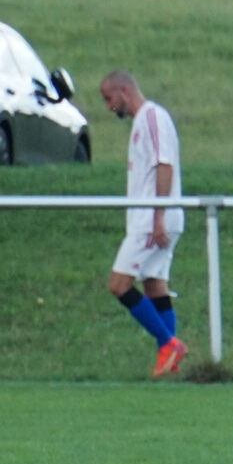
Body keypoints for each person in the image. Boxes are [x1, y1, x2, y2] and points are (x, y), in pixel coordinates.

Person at [100, 71, 186, 377]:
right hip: (153, 218)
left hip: (152, 220)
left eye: (109, 99)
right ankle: (170, 360)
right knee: (154, 285)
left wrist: (158, 215)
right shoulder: (142, 122)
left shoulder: (152, 117)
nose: (109, 107)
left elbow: (165, 164)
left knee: (119, 284)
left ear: (124, 91)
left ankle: (168, 343)